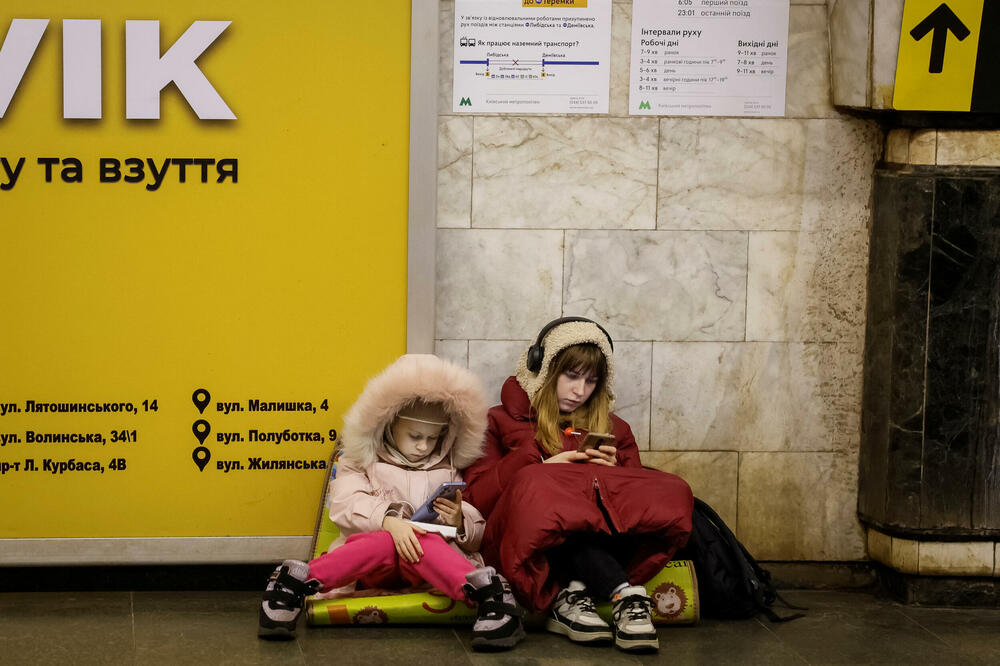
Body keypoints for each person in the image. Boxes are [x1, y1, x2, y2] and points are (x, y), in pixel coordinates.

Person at [258, 354, 524, 649]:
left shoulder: (448, 467)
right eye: (414, 435)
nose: (423, 446)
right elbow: (345, 503)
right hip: (373, 562)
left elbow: (475, 531)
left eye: (433, 438)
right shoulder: (360, 460)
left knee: (423, 538)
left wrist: (461, 521)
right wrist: (389, 522)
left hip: (428, 564)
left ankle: (489, 598)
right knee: (386, 539)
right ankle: (295, 583)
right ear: (388, 424)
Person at [464, 317, 693, 653]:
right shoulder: (497, 420)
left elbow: (638, 516)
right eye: (571, 376)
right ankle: (625, 595)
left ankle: (571, 597)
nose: (580, 390)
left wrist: (613, 475)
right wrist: (540, 467)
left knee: (673, 489)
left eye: (591, 381)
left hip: (595, 539)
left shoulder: (616, 429)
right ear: (544, 369)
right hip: (519, 542)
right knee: (544, 494)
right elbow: (475, 500)